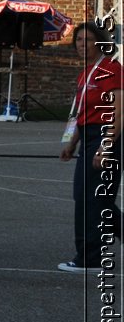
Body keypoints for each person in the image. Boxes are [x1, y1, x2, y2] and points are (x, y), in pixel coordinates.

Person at [59, 21, 120, 273]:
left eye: (89, 40)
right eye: (79, 41)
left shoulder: (110, 69)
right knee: (93, 199)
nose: (83, 45)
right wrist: (70, 142)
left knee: (91, 200)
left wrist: (106, 145)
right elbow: (80, 112)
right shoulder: (85, 74)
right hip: (87, 137)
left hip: (106, 137)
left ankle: (91, 257)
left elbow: (119, 110)